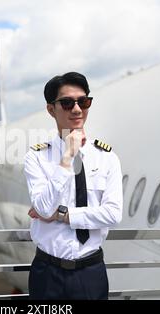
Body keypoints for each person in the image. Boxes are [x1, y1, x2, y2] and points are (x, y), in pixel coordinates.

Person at [23, 71, 123, 300]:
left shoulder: (107, 157)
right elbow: (43, 208)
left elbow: (113, 214)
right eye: (67, 103)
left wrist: (62, 215)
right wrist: (67, 156)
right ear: (51, 109)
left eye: (83, 101)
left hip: (91, 271)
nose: (77, 109)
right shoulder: (37, 157)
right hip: (47, 272)